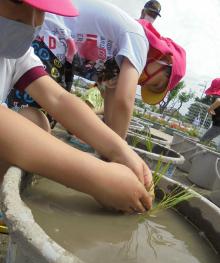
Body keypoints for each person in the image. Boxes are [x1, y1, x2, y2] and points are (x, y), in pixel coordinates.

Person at [0, 0, 153, 214]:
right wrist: (97, 176)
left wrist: (120, 150)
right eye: (17, 2)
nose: (33, 22)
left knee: (37, 121)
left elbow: (58, 98)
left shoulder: (15, 53)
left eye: (42, 11)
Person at [36, 0, 186, 140]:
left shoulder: (121, 62)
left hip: (59, 50)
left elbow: (111, 101)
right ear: (166, 60)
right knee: (38, 120)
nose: (144, 84)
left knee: (48, 119)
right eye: (155, 84)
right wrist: (118, 154)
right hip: (49, 32)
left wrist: (109, 140)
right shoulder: (139, 42)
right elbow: (124, 101)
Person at [200, 78, 220, 143]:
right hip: (217, 125)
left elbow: (219, 101)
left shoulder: (217, 96)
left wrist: (209, 109)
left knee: (202, 141)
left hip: (218, 125)